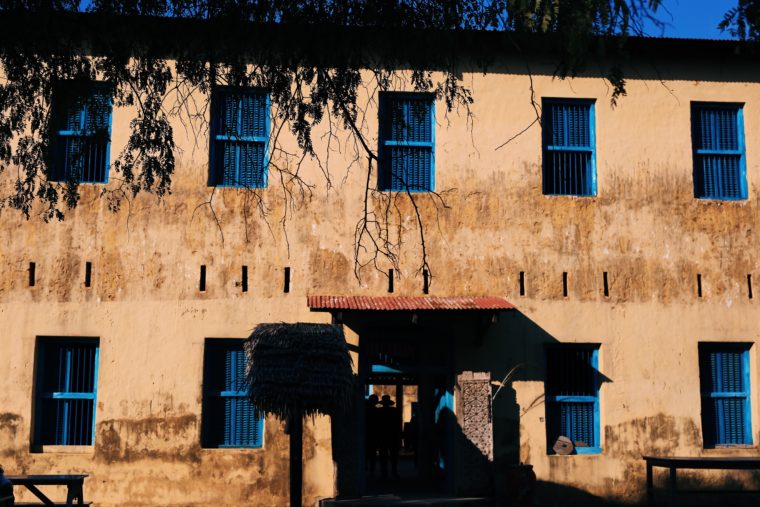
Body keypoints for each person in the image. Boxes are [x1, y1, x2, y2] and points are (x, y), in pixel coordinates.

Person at [377, 395, 401, 478]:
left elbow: (376, 426)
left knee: (383, 456)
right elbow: (398, 424)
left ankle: (384, 473)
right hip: (393, 436)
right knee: (394, 456)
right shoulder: (395, 411)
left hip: (382, 436)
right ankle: (394, 472)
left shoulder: (379, 412)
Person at [364, 394, 380, 476]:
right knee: (372, 454)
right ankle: (371, 470)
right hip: (373, 435)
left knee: (366, 454)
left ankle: (366, 469)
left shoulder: (364, 410)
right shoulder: (377, 411)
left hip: (367, 435)